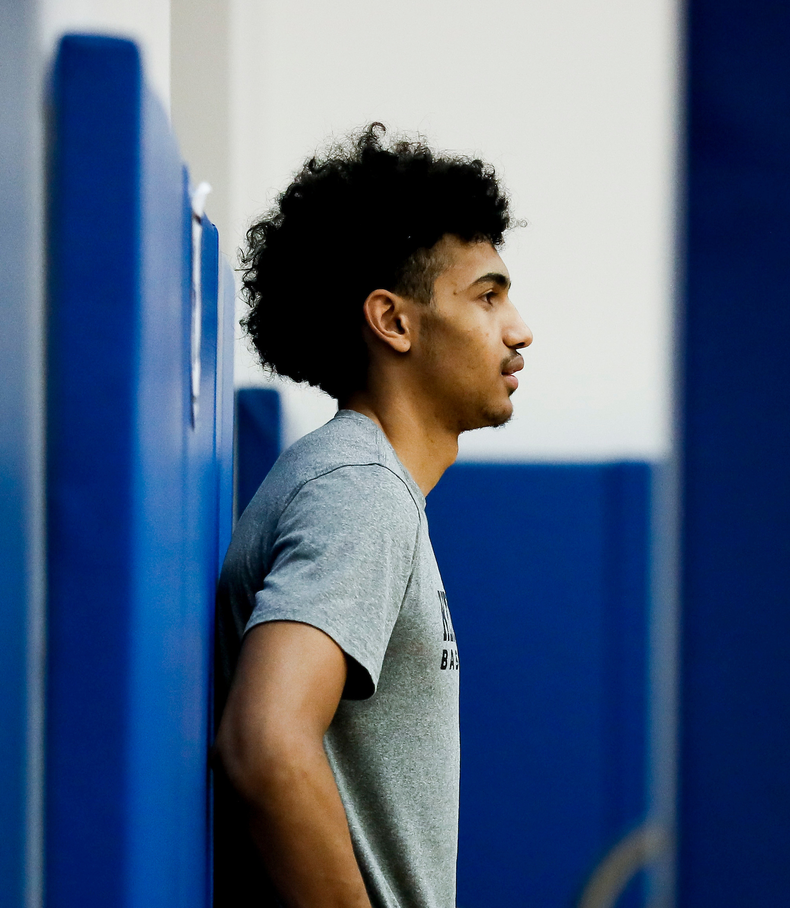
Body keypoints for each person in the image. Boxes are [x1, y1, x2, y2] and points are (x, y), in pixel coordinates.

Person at [213, 123, 532, 908]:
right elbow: (265, 743)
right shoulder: (360, 491)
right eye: (487, 296)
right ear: (393, 321)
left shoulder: (365, 483)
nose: (519, 328)